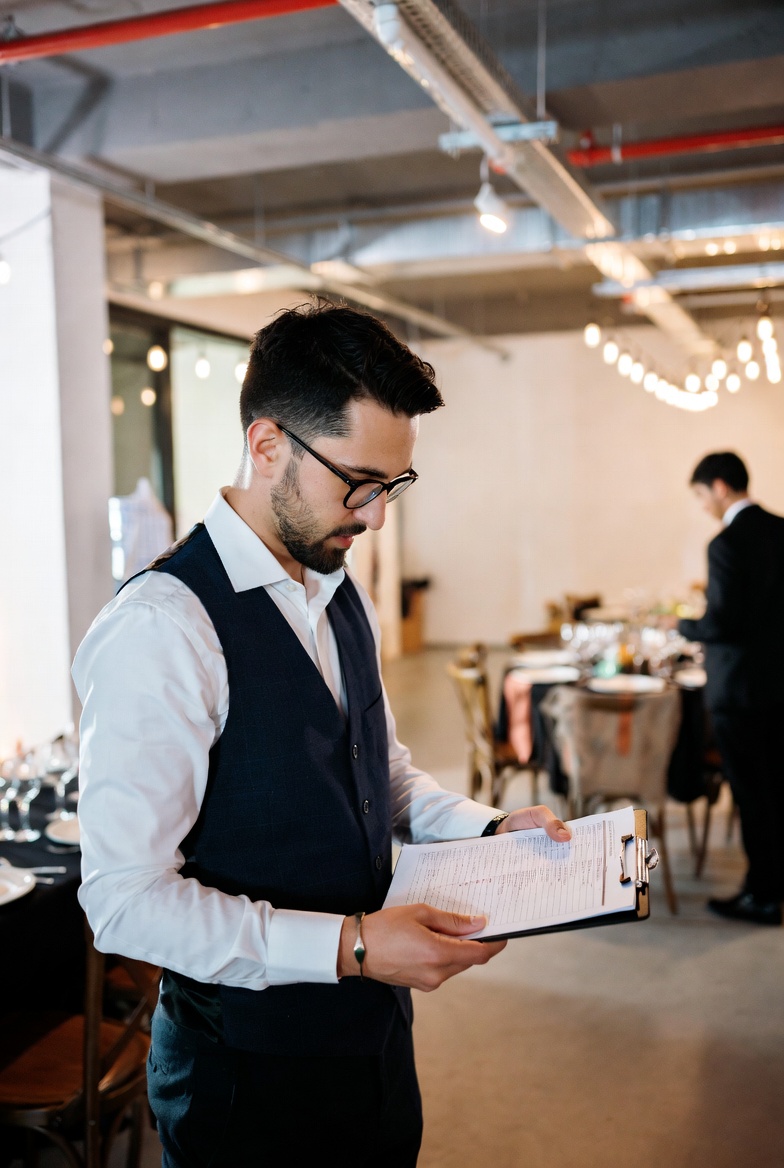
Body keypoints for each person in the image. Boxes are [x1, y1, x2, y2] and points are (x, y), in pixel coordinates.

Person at [73, 302, 572, 1168]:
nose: (377, 517)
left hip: (373, 1043)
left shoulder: (338, 587)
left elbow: (381, 772)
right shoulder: (164, 627)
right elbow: (123, 901)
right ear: (267, 447)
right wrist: (355, 945)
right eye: (360, 483)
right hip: (246, 1077)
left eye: (394, 486)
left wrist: (490, 828)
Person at [678, 451, 784, 926]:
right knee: (776, 790)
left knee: (751, 796)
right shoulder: (781, 529)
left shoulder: (725, 544)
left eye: (701, 495)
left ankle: (762, 896)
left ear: (720, 487)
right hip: (780, 685)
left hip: (740, 693)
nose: (703, 506)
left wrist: (685, 625)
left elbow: (723, 622)